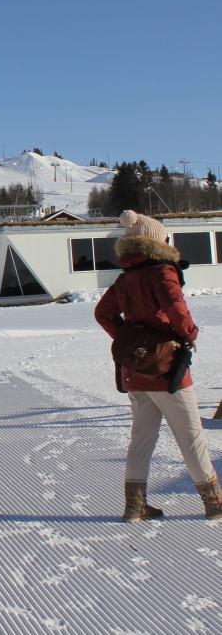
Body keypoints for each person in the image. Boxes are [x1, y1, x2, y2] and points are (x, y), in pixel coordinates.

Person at [95, 210, 221, 522]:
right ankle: (214, 502)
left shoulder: (125, 279)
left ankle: (135, 506)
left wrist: (131, 339)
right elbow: (176, 309)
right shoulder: (163, 272)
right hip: (167, 370)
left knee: (141, 439)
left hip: (136, 371)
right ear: (156, 241)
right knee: (191, 437)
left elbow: (102, 313)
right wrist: (189, 334)